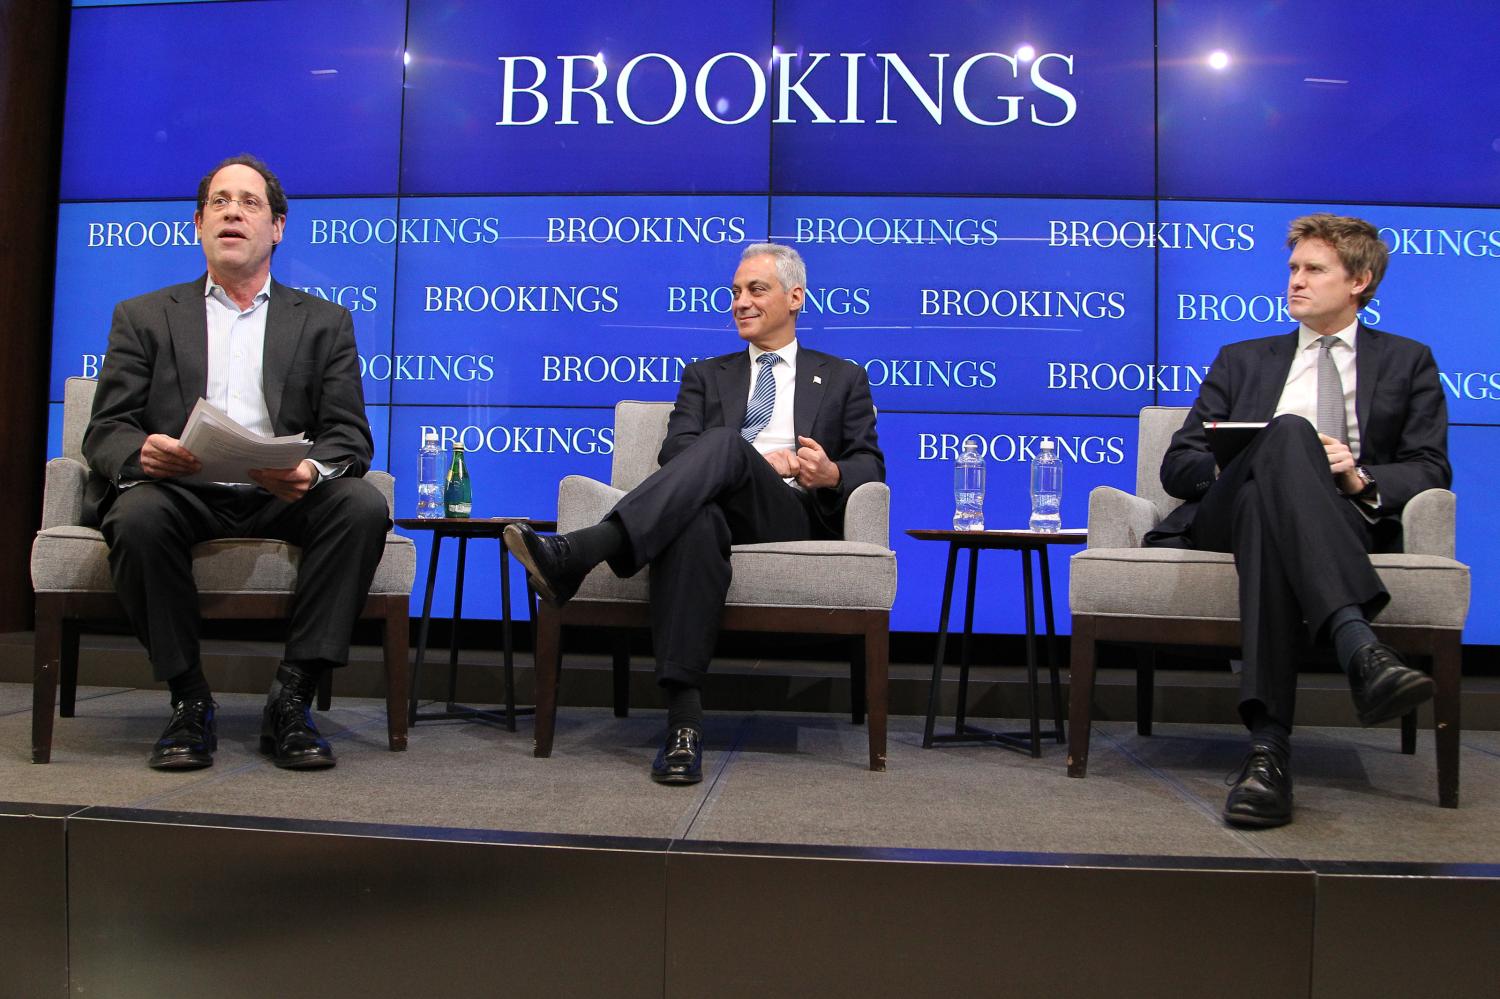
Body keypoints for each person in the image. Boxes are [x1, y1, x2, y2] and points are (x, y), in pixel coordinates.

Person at [505, 243, 884, 785]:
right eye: (735, 292)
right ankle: (684, 729)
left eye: (756, 290)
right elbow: (675, 454)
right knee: (696, 518)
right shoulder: (706, 374)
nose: (740, 303)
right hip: (712, 508)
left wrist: (831, 474)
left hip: (787, 511)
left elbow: (870, 464)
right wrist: (741, 456)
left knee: (727, 445)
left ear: (795, 297)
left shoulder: (843, 376)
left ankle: (585, 549)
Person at [82, 154, 390, 772]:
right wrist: (140, 452)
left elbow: (349, 435)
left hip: (281, 493)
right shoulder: (143, 317)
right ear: (198, 224)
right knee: (136, 517)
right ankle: (189, 701)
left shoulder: (325, 323)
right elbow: (106, 429)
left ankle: (293, 698)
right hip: (181, 491)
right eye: (220, 202)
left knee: (361, 504)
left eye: (249, 203)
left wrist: (312, 471)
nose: (232, 212)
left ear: (277, 228)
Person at [1150, 214, 1451, 828]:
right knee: (1285, 437)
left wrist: (1357, 476)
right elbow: (1179, 464)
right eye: (1293, 268)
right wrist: (1257, 460)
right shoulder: (1242, 359)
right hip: (1223, 513)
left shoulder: (1407, 361)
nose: (1296, 281)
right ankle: (1358, 644)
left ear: (1360, 280)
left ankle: (1268, 755)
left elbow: (1430, 467)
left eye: (1314, 269)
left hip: (1336, 517)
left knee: (1271, 510)